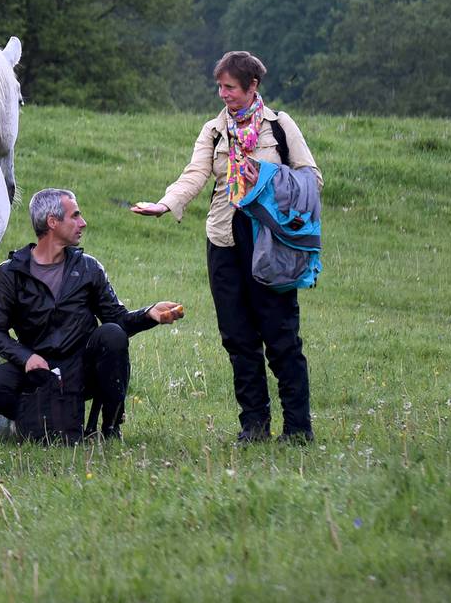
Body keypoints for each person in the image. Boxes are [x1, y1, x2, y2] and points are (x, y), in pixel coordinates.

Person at [131, 50, 319, 443]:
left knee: (281, 336)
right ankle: (254, 426)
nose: (223, 94)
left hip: (271, 243)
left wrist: (268, 176)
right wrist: (165, 204)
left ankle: (298, 429)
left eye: (230, 87)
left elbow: (311, 179)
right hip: (224, 241)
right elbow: (195, 173)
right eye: (219, 86)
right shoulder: (214, 131)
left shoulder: (280, 127)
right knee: (237, 337)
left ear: (253, 87)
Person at [0, 189, 183, 440]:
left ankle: (110, 428)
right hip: (38, 370)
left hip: (82, 369)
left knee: (111, 335)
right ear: (52, 222)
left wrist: (149, 314)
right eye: (75, 216)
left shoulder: (88, 268)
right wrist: (26, 357)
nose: (82, 223)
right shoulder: (10, 274)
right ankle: (34, 417)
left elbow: (117, 320)